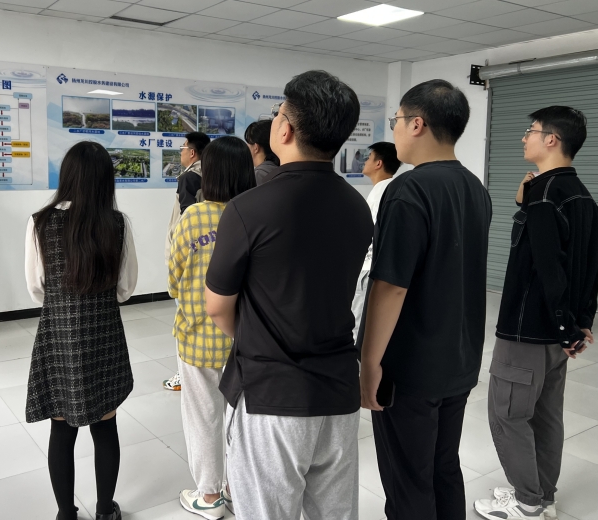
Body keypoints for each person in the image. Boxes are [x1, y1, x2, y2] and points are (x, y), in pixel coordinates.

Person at [205, 70, 373, 520]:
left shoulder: (248, 208)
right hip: (338, 392)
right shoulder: (357, 206)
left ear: (286, 130)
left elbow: (217, 306)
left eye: (279, 112)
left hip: (271, 397)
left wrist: (260, 337)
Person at [359, 80, 492, 520]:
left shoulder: (408, 190)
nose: (394, 129)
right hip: (459, 358)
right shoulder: (474, 187)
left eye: (396, 120)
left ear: (417, 124)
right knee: (443, 468)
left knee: (409, 481)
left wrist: (370, 362)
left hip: (411, 368)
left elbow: (391, 286)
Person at [474, 107, 598, 520]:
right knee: (546, 416)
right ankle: (543, 496)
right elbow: (590, 265)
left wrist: (565, 327)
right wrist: (579, 324)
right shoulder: (580, 194)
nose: (523, 137)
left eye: (530, 131)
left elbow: (548, 268)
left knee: (507, 414)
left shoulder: (545, 195)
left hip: (527, 331)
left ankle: (526, 502)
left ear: (551, 140)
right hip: (557, 336)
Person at [24, 141, 138, 520]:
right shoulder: (117, 223)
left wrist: (63, 302)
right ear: (106, 180)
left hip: (58, 336)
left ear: (67, 175)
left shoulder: (40, 222)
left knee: (61, 430)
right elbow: (125, 288)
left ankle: (66, 514)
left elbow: (36, 287)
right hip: (104, 335)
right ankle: (105, 511)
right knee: (105, 427)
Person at [169, 136, 256, 519]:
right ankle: (236, 491)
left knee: (203, 415)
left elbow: (174, 278)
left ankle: (208, 497)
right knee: (241, 418)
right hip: (245, 338)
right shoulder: (255, 215)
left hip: (197, 336)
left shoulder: (194, 217)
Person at [163, 131, 211, 392]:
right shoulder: (213, 174)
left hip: (189, 257)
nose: (180, 152)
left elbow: (185, 221)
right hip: (210, 253)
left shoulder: (189, 177)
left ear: (192, 152)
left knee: (185, 316)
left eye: (182, 148)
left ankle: (184, 374)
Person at [351, 142, 401, 341]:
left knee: (357, 324)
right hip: (375, 267)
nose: (365, 161)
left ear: (378, 163)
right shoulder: (389, 188)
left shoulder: (381, 191)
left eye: (369, 157)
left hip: (368, 268)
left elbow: (370, 233)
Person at [244, 119, 280, 185]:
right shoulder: (279, 169)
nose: (246, 146)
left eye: (248, 142)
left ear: (256, 147)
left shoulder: (258, 174)